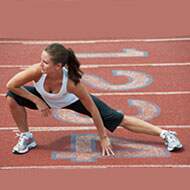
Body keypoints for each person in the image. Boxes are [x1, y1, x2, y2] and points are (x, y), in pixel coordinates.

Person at [6, 43, 183, 155]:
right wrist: (37, 101)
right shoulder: (37, 71)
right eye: (41, 60)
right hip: (43, 98)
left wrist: (103, 136)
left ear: (58, 66)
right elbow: (11, 85)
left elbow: (93, 110)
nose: (40, 64)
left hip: (69, 100)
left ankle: (166, 134)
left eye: (45, 62)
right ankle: (27, 137)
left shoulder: (72, 84)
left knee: (118, 119)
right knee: (12, 97)